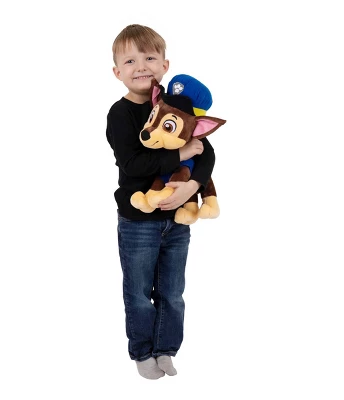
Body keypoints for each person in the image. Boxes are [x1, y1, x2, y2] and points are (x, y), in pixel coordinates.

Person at [106, 24, 216, 380]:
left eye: (150, 58)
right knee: (139, 292)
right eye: (130, 61)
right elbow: (133, 164)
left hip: (177, 219)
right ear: (117, 72)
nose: (141, 66)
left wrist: (192, 186)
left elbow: (206, 151)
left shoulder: (174, 105)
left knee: (172, 291)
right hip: (138, 220)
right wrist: (179, 154)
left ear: (165, 65)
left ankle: (166, 348)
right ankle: (142, 351)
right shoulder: (120, 114)